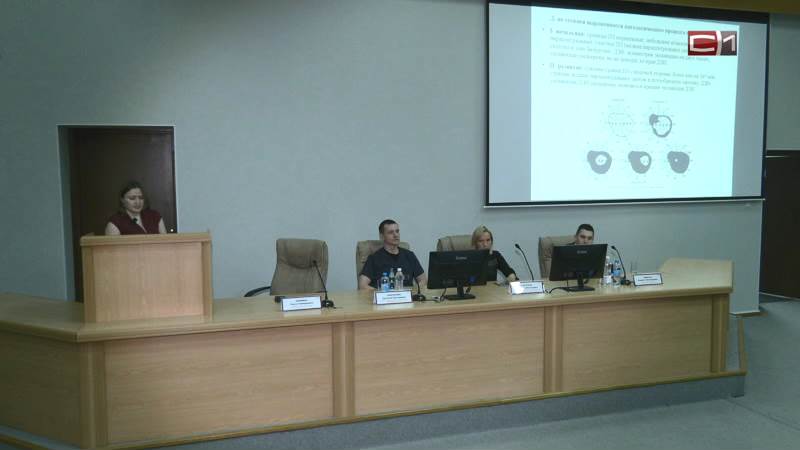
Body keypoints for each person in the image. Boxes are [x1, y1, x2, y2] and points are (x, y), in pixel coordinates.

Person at [359, 219, 426, 290]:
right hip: (385, 295)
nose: (396, 235)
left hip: (407, 295)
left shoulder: (409, 255)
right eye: (391, 232)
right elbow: (362, 285)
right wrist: (380, 293)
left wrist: (414, 291)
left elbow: (423, 280)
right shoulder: (374, 258)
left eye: (397, 231)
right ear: (382, 236)